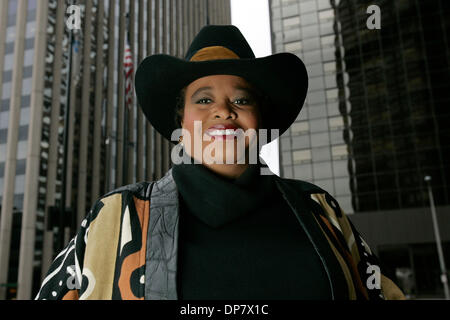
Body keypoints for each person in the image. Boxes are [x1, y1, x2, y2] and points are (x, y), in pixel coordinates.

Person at [35, 25, 405, 300]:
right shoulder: (117, 216)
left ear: (260, 118)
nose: (224, 112)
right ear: (181, 120)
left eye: (242, 101)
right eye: (204, 100)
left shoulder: (320, 210)